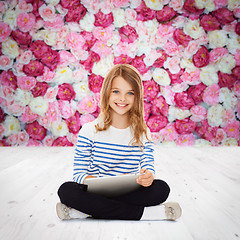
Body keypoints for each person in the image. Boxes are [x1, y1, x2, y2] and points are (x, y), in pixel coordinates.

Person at [56, 64, 182, 221]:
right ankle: (146, 214)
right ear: (107, 94)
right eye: (116, 91)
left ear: (137, 97)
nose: (122, 99)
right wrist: (97, 183)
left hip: (128, 192)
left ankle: (85, 211)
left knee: (161, 188)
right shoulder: (89, 131)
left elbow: (148, 167)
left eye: (130, 93)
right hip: (95, 191)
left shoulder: (143, 132)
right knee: (66, 190)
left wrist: (148, 176)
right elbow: (79, 174)